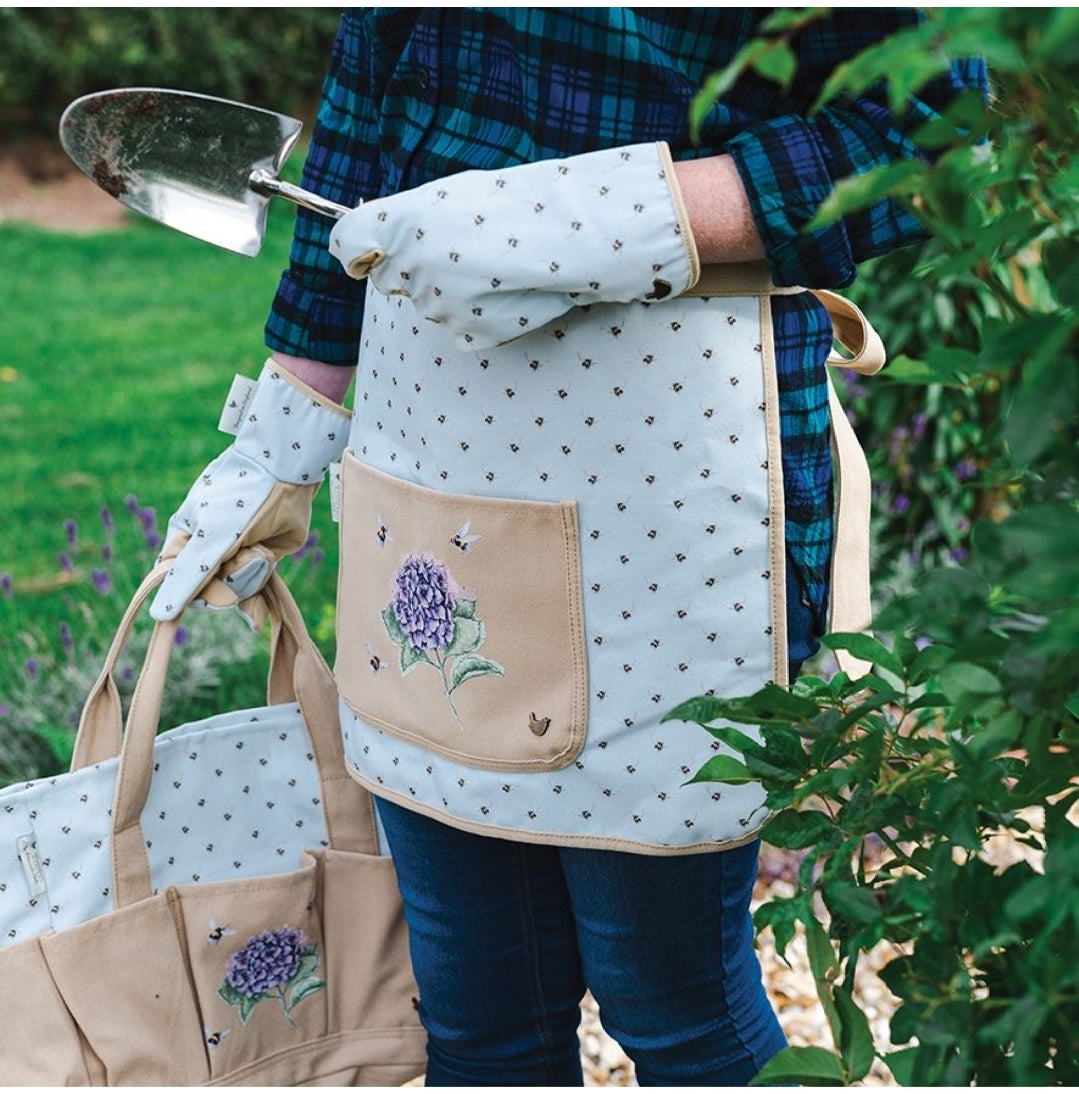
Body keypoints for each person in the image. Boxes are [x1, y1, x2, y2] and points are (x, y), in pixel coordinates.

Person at [151, 9, 985, 1086]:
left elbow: (932, 128)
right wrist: (280, 435)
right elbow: (359, 124)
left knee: (673, 1006)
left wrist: (593, 218)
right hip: (427, 458)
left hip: (669, 468)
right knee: (478, 1009)